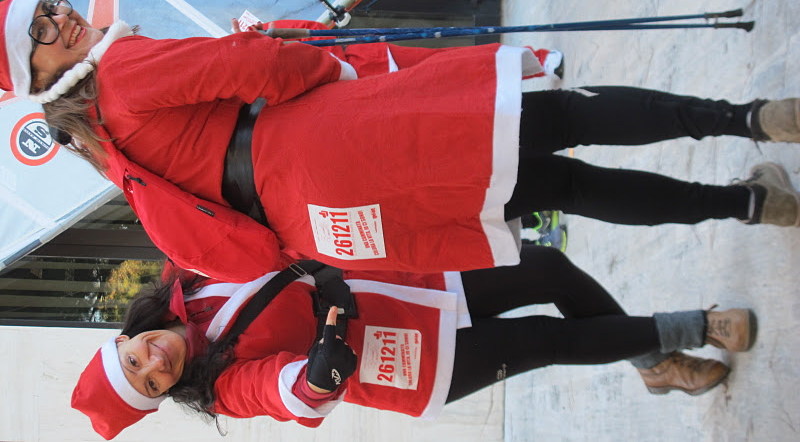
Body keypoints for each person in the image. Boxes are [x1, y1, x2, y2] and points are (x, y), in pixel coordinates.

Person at [1, 0, 799, 279]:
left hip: (326, 220)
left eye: (49, 5)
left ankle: (749, 206)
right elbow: (255, 66)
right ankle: (749, 119)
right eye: (39, 31)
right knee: (562, 117)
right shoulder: (121, 68)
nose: (58, 18)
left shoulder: (95, 135)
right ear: (33, 73)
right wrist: (323, 68)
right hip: (328, 141)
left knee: (562, 188)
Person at [71, 244, 756, 440]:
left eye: (136, 358)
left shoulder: (185, 273)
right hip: (409, 359)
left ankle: (653, 363)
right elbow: (280, 395)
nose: (157, 363)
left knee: (547, 268)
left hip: (405, 284)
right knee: (547, 338)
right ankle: (696, 327)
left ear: (127, 336)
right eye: (151, 385)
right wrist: (317, 377)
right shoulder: (220, 387)